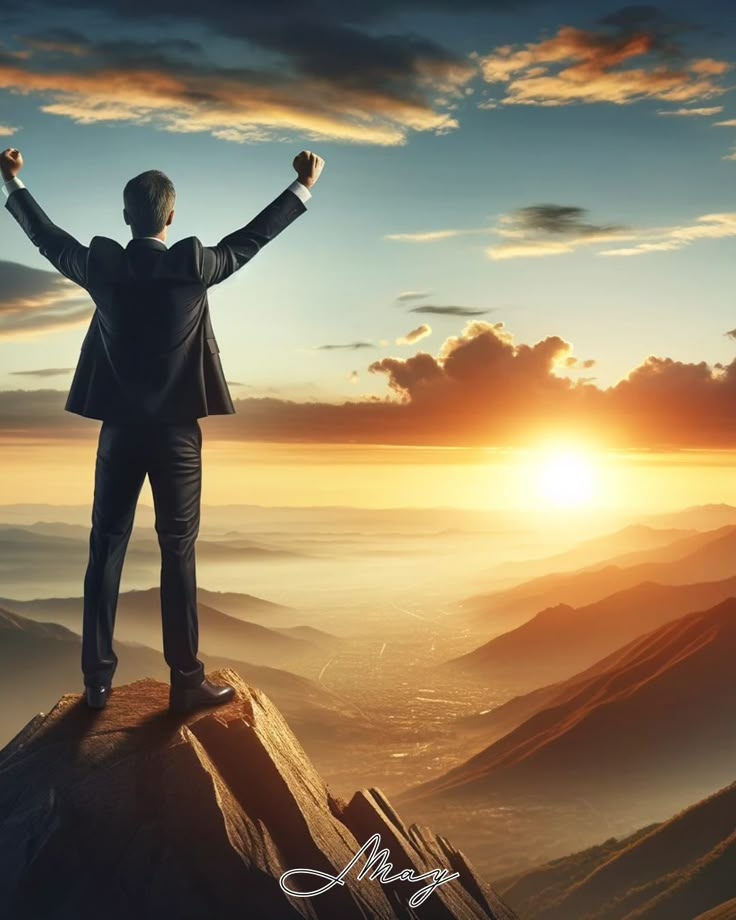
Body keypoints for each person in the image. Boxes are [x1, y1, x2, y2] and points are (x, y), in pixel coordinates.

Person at [0, 145, 325, 714]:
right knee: (178, 550)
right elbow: (253, 238)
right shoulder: (193, 266)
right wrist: (301, 185)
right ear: (171, 218)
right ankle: (185, 681)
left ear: (127, 217)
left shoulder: (103, 265)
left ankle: (97, 683)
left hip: (120, 433)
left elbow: (46, 238)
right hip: (177, 437)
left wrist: (11, 183)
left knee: (105, 546)